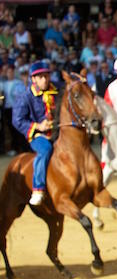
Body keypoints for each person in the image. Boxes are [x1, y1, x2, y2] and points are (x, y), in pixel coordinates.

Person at [12, 61, 58, 205]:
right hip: (38, 135)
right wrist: (38, 126)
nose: (45, 79)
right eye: (41, 77)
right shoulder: (25, 96)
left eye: (46, 76)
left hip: (57, 131)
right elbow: (17, 120)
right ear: (33, 79)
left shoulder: (56, 89)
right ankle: (38, 188)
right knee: (45, 150)